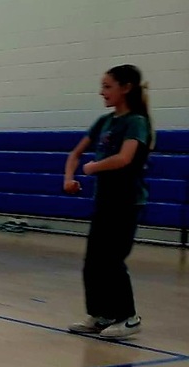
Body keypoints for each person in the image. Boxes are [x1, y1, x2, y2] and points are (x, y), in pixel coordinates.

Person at [65, 64, 152, 339]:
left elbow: (125, 158)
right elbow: (76, 152)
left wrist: (94, 167)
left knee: (113, 259)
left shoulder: (135, 121)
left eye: (107, 86)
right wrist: (69, 176)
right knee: (94, 261)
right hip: (104, 201)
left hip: (126, 202)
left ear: (125, 88)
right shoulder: (104, 121)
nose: (102, 92)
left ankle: (129, 316)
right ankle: (101, 313)